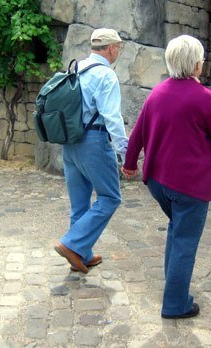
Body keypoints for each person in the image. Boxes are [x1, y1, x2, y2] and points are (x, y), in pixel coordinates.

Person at [121, 35, 211, 319]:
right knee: (185, 240)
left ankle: (173, 289)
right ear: (196, 65)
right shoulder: (207, 100)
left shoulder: (156, 93)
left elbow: (137, 133)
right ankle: (175, 304)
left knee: (177, 231)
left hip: (159, 182)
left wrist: (130, 164)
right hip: (191, 186)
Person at [54, 28, 128, 274]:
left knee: (79, 204)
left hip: (70, 143)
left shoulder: (75, 69)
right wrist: (124, 152)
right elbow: (112, 118)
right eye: (117, 47)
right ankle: (71, 244)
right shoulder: (106, 75)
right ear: (111, 48)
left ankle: (81, 255)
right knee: (110, 197)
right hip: (94, 142)